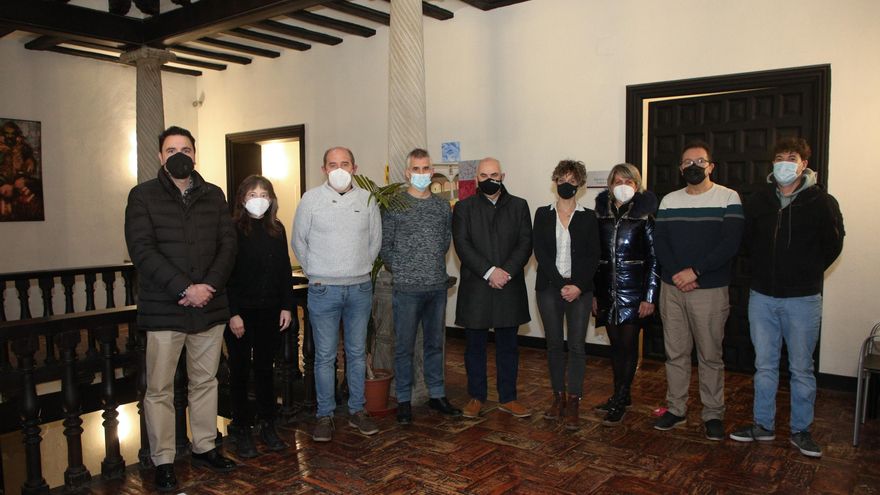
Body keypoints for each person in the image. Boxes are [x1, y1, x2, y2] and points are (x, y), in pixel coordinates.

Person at [124, 126, 237, 492]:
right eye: (171, 148)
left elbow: (228, 244)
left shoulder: (214, 194)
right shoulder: (142, 197)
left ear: (194, 154)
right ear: (160, 156)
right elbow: (142, 250)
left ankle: (205, 446)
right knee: (159, 389)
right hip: (165, 308)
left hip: (209, 306)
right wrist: (184, 288)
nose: (179, 154)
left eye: (185, 149)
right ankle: (164, 459)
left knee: (205, 381)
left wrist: (208, 287)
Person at [730, 137, 844, 458]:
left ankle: (801, 430)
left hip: (803, 299)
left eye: (791, 157)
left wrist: (805, 271)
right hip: (762, 295)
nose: (784, 163)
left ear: (803, 164)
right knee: (764, 365)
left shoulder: (821, 202)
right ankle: (762, 425)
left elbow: (833, 244)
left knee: (801, 368)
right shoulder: (759, 200)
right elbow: (747, 241)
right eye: (779, 157)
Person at [652, 140, 743, 441]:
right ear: (680, 168)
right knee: (675, 352)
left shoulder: (728, 197)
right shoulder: (668, 201)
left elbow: (730, 244)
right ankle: (676, 409)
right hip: (672, 288)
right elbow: (660, 242)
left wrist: (696, 272)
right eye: (687, 162)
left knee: (710, 355)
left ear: (710, 166)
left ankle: (713, 413)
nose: (693, 166)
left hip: (709, 289)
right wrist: (680, 274)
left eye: (699, 161)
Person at [292, 146, 382, 442]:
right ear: (324, 169)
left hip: (359, 288)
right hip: (323, 290)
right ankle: (325, 415)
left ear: (355, 167)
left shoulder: (366, 199)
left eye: (345, 163)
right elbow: (299, 241)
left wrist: (359, 268)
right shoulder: (311, 200)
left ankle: (357, 411)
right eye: (333, 164)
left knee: (356, 354)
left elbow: (374, 241)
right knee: (325, 356)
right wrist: (316, 271)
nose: (339, 168)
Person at [380, 148, 461, 424]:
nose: (422, 174)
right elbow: (385, 247)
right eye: (416, 169)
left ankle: (437, 395)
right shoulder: (394, 205)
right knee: (404, 347)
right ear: (407, 173)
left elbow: (445, 242)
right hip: (406, 288)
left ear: (432, 171)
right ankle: (403, 400)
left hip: (436, 287)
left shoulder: (441, 207)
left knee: (435, 345)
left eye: (426, 169)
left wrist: (429, 266)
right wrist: (403, 269)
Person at [452, 157, 533, 419]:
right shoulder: (464, 208)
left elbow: (525, 243)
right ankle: (476, 396)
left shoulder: (519, 206)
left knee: (508, 346)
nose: (490, 179)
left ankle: (508, 398)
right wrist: (489, 271)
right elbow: (462, 245)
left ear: (503, 175)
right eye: (484, 175)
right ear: (476, 178)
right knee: (474, 346)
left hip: (508, 285)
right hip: (477, 285)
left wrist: (504, 271)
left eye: (494, 174)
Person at [225, 175, 295, 457]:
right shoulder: (231, 230)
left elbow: (284, 272)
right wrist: (233, 314)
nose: (259, 198)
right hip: (241, 315)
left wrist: (287, 306)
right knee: (240, 372)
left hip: (270, 312)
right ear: (242, 198)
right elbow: (226, 275)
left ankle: (268, 425)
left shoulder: (277, 228)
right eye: (253, 193)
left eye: (264, 194)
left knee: (266, 371)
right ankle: (242, 429)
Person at [533, 159, 600, 430]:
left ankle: (574, 401)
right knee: (553, 345)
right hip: (549, 287)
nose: (566, 185)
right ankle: (557, 397)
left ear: (581, 185)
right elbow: (540, 252)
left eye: (572, 181)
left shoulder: (588, 216)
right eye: (562, 180)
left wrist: (578, 286)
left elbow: (594, 256)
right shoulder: (542, 213)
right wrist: (561, 283)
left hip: (580, 289)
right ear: (555, 181)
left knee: (576, 346)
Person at [592, 163, 659, 426]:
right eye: (617, 180)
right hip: (607, 292)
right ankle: (620, 393)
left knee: (628, 347)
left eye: (628, 181)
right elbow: (595, 259)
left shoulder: (646, 218)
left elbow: (655, 260)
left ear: (637, 185)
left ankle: (620, 397)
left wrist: (649, 297)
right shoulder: (600, 217)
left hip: (634, 294)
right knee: (616, 346)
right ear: (609, 185)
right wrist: (595, 295)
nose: (623, 185)